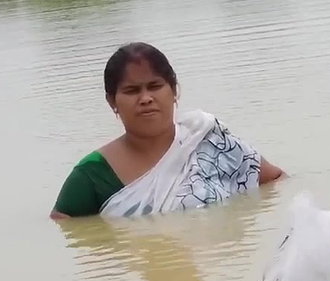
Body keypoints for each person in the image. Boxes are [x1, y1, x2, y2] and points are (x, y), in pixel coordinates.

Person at [50, 43, 284, 219]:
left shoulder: (209, 141)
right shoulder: (92, 174)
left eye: (155, 86)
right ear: (112, 101)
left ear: (174, 91)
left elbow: (277, 182)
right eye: (132, 91)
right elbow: (67, 235)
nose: (146, 98)